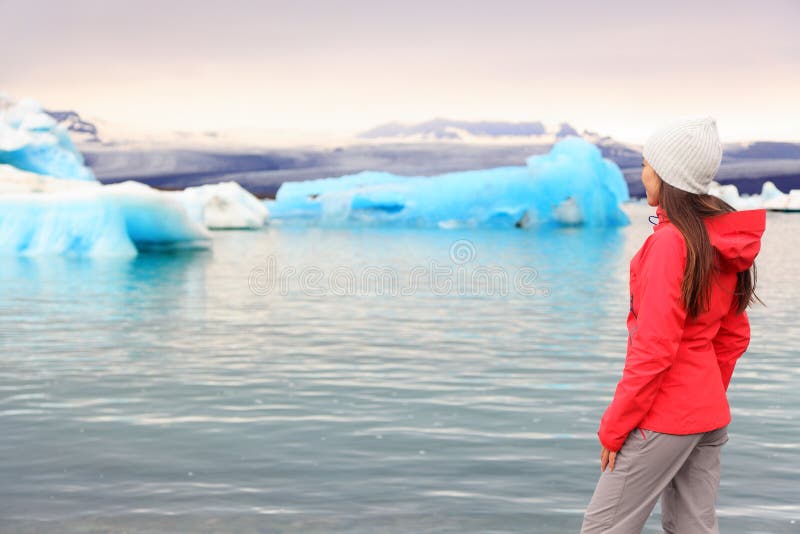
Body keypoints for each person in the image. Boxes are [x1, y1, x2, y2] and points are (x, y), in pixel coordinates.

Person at [580, 117, 767, 533]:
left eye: (647, 164)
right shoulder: (716, 238)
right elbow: (733, 338)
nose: (642, 173)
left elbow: (655, 347)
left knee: (603, 528)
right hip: (708, 415)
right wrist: (704, 396)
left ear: (667, 174)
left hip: (664, 417)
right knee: (693, 528)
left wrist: (614, 427)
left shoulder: (669, 244)